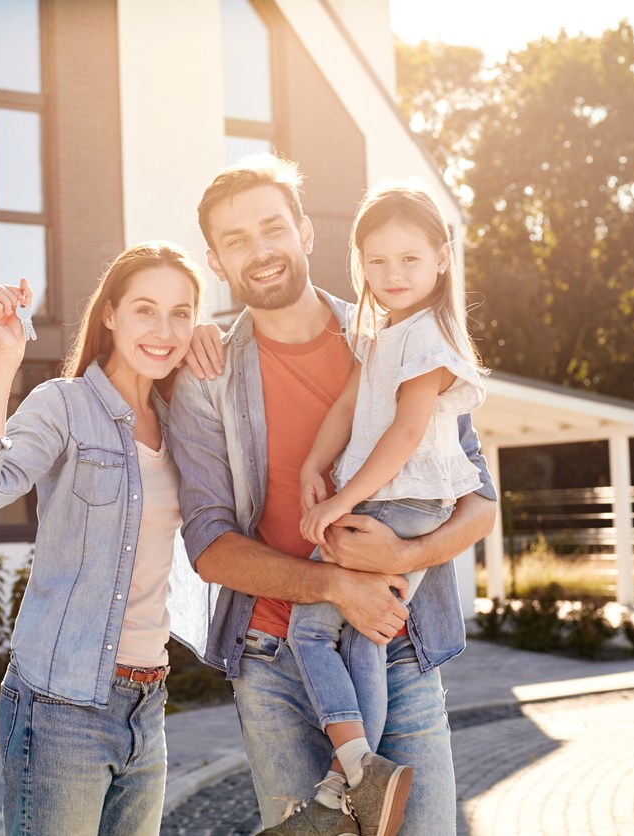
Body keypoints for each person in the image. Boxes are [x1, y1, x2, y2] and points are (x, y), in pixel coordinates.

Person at [167, 153, 497, 836]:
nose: (260, 251)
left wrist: (402, 554)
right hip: (274, 663)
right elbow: (208, 545)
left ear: (306, 232)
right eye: (237, 241)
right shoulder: (207, 376)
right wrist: (333, 587)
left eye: (272, 228)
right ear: (216, 261)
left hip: (396, 643)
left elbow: (481, 501)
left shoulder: (394, 332)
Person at [0, 242, 203, 835]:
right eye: (145, 309)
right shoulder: (66, 405)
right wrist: (5, 355)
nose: (164, 330)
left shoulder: (182, 421)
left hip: (148, 702)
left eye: (181, 313)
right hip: (60, 702)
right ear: (109, 314)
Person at [264, 184, 489, 836]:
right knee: (365, 630)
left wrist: (341, 497)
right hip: (397, 500)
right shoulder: (383, 333)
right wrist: (313, 464)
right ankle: (361, 777)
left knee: (309, 633)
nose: (393, 275)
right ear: (359, 262)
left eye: (410, 260)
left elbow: (405, 433)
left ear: (442, 258)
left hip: (402, 502)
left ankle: (354, 779)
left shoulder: (430, 338)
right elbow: (346, 410)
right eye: (378, 262)